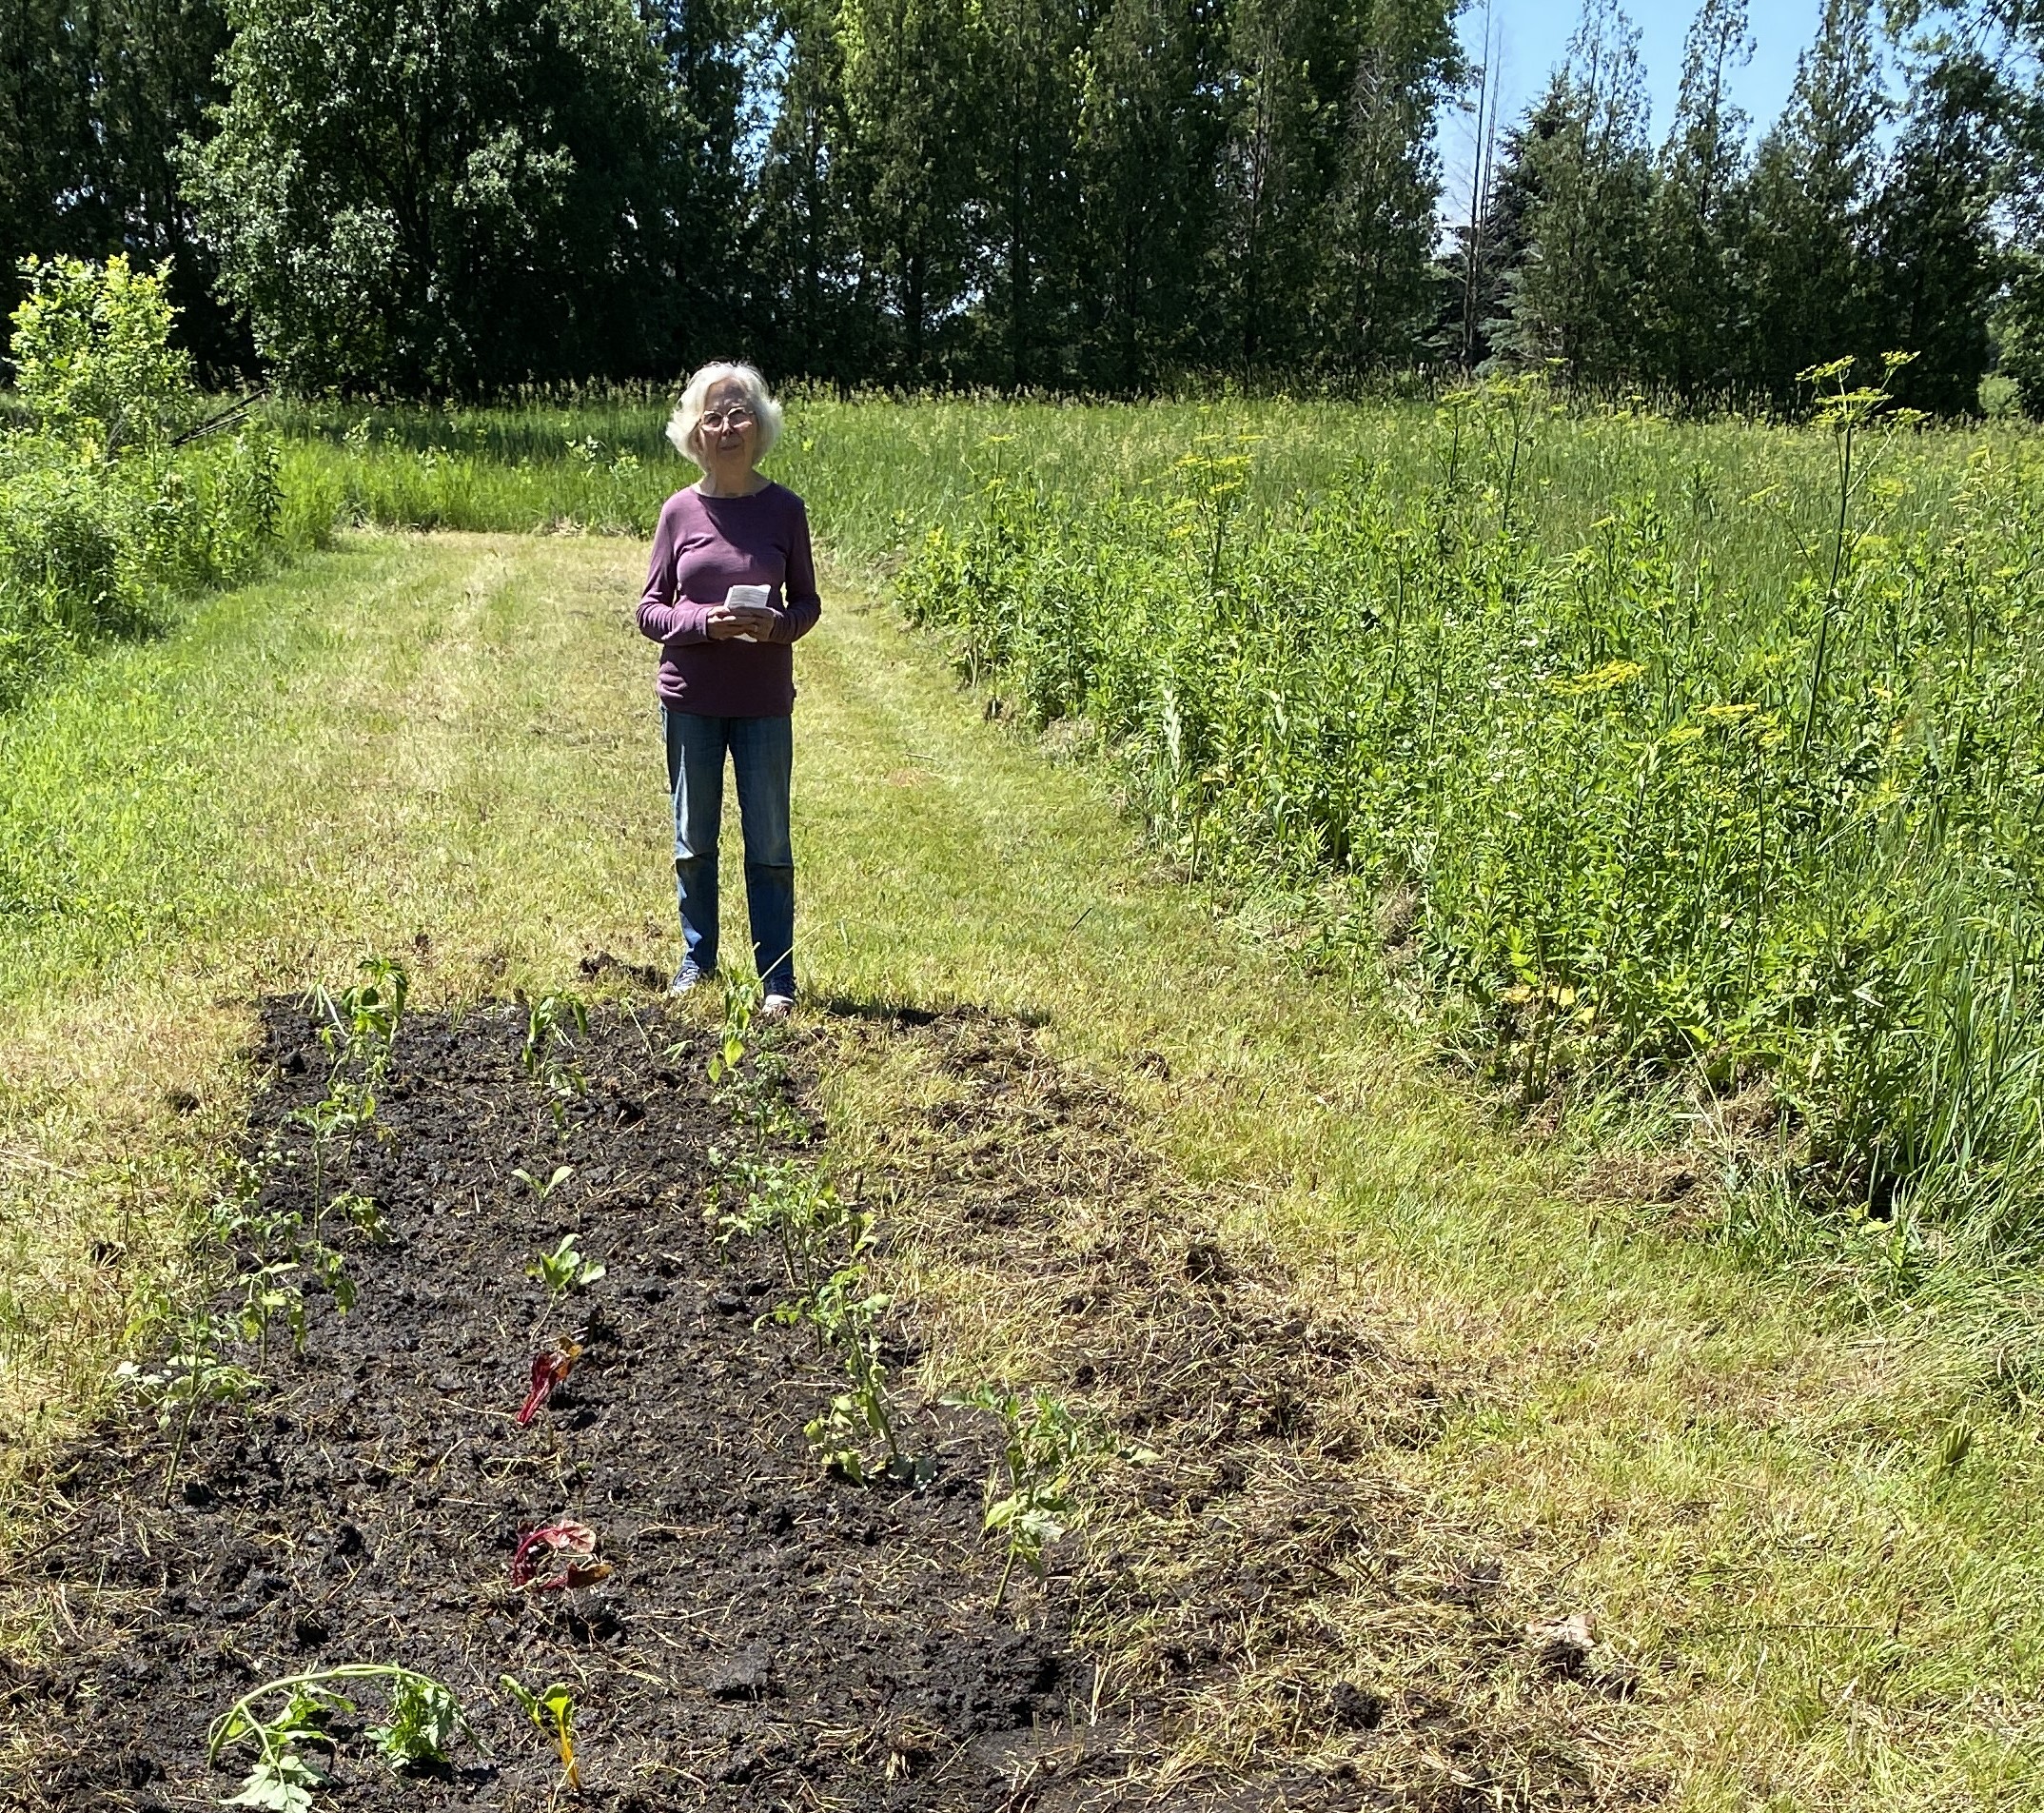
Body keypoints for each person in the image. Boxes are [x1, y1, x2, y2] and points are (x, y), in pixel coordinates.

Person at [637, 362, 821, 1015]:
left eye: (738, 413)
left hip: (764, 702)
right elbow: (649, 610)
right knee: (694, 837)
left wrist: (777, 627)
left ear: (760, 424)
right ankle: (697, 961)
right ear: (694, 432)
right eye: (712, 416)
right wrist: (701, 622)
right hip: (690, 697)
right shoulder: (678, 512)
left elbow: (808, 605)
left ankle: (777, 977)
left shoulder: (785, 511)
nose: (726, 427)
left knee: (770, 841)